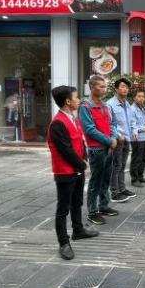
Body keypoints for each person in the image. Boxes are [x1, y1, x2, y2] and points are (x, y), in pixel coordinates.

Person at [48, 86, 99, 260]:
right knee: (63, 208)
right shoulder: (58, 123)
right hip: (65, 171)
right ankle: (63, 242)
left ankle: (78, 230)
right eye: (76, 98)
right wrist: (82, 164)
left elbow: (80, 142)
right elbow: (65, 150)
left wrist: (84, 160)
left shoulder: (73, 118)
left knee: (77, 202)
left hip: (77, 169)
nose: (79, 100)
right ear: (68, 101)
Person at [78, 76, 120, 226]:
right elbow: (89, 130)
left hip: (108, 148)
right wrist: (110, 140)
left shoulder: (104, 105)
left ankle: (103, 205)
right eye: (100, 86)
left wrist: (113, 138)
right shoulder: (85, 106)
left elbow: (112, 124)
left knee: (105, 179)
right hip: (97, 150)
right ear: (92, 87)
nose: (104, 89)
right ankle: (92, 211)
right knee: (95, 181)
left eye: (104, 86)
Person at [106, 78, 138, 202]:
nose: (125, 89)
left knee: (122, 165)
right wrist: (118, 135)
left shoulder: (127, 104)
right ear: (116, 89)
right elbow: (109, 124)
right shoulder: (110, 104)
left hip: (126, 139)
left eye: (127, 87)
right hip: (117, 140)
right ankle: (114, 192)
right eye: (123, 86)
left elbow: (132, 120)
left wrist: (134, 131)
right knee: (116, 166)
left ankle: (122, 188)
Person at [130, 89, 145, 187]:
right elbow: (132, 126)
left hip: (144, 137)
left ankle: (140, 176)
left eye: (143, 96)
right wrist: (144, 128)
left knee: (143, 158)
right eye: (139, 96)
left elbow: (144, 121)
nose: (141, 98)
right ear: (134, 98)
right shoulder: (132, 109)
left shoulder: (142, 108)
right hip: (137, 138)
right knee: (137, 159)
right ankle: (134, 179)